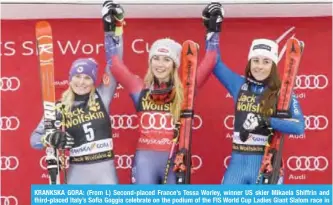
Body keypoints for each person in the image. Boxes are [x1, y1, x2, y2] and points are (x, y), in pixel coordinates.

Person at [101, 0, 222, 184]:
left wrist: (213, 30)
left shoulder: (185, 89)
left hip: (175, 159)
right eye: (155, 58)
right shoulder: (139, 88)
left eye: (166, 59)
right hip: (145, 162)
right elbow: (115, 65)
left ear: (174, 64)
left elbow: (211, 59)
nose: (159, 64)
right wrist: (112, 29)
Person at [200, 2, 305, 184]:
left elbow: (299, 127)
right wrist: (213, 32)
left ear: (273, 65)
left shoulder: (283, 91)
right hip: (237, 165)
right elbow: (214, 63)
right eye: (255, 60)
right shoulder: (239, 85)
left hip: (266, 165)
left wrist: (266, 121)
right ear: (249, 63)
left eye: (265, 62)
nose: (259, 66)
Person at [30, 14, 124, 184]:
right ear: (70, 78)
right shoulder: (60, 107)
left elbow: (114, 64)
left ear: (94, 81)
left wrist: (112, 32)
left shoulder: (102, 95)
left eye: (87, 78)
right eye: (77, 76)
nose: (81, 82)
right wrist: (49, 138)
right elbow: (34, 139)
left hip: (105, 173)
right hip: (78, 174)